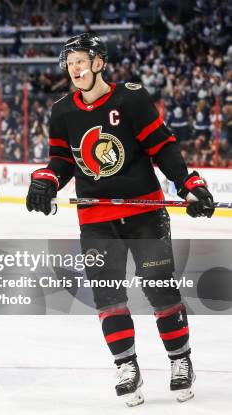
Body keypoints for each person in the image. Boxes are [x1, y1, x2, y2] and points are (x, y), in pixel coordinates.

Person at [26, 33, 215, 406]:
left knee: (161, 291)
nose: (74, 68)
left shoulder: (131, 97)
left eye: (81, 60)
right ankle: (126, 365)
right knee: (108, 295)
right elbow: (63, 161)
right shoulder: (62, 110)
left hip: (144, 211)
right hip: (96, 218)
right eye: (70, 62)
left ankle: (180, 362)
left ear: (99, 63)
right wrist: (46, 181)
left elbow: (161, 146)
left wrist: (189, 184)